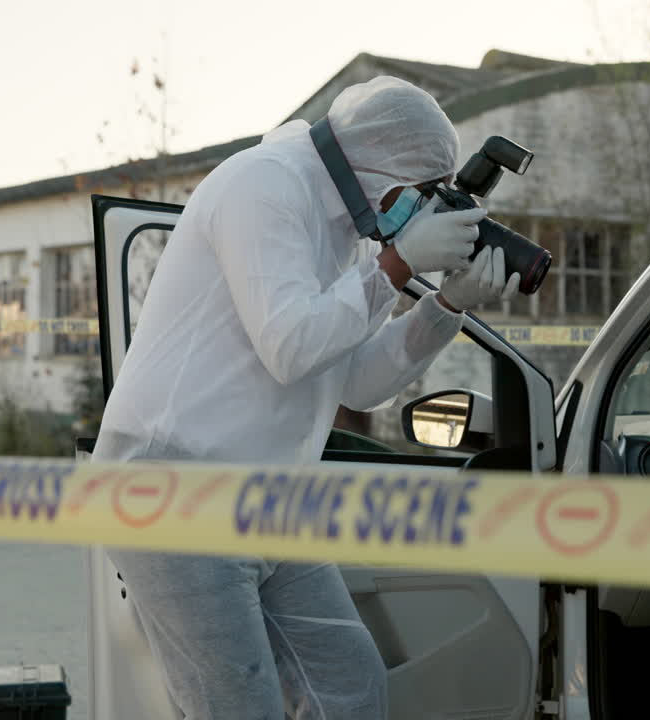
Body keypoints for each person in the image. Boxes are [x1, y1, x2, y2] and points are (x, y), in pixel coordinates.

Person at [90, 76, 519, 720]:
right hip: (172, 489)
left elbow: (355, 383)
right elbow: (291, 346)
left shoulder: (345, 229)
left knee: (350, 687)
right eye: (421, 192)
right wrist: (396, 265)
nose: (420, 210)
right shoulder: (263, 186)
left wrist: (446, 305)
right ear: (372, 164)